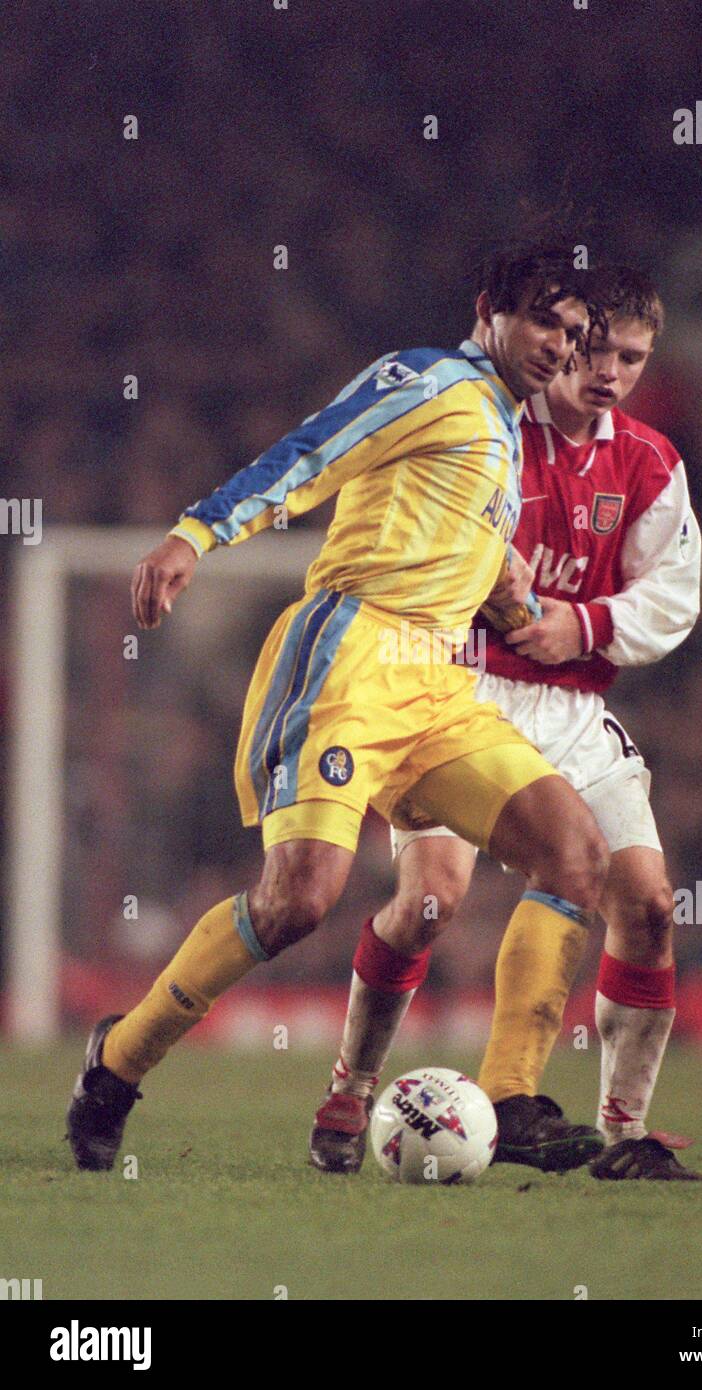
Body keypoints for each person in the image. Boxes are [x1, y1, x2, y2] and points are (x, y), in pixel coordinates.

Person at [66, 240, 613, 1175]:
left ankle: (511, 1097)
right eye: (541, 321)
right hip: (350, 659)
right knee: (298, 901)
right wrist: (195, 535)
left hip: (438, 683)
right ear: (490, 311)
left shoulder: (510, 429)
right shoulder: (431, 378)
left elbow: (454, 555)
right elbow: (312, 449)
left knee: (572, 850)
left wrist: (523, 610)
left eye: (571, 333)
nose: (557, 346)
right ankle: (119, 1063)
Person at [310, 267, 702, 1181]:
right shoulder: (485, 428)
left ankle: (620, 1135)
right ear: (563, 343)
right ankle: (351, 1086)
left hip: (569, 705)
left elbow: (675, 598)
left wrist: (585, 625)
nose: (610, 372)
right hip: (456, 691)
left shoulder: (649, 464)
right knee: (431, 901)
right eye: (598, 350)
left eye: (634, 359)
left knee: (646, 905)